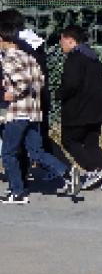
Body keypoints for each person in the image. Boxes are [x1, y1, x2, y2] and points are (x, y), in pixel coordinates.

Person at [0, 21, 80, 203]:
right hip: (33, 112)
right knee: (36, 151)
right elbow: (39, 82)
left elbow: (22, 83)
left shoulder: (9, 59)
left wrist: (9, 94)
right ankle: (66, 172)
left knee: (9, 153)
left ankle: (17, 191)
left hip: (17, 112)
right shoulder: (29, 57)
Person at [55, 25, 102, 191]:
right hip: (96, 108)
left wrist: (59, 94)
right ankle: (101, 177)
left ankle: (94, 169)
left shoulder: (75, 58)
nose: (60, 44)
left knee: (69, 140)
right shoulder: (93, 56)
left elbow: (71, 84)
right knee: (91, 142)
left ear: (71, 40)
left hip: (79, 110)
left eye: (62, 40)